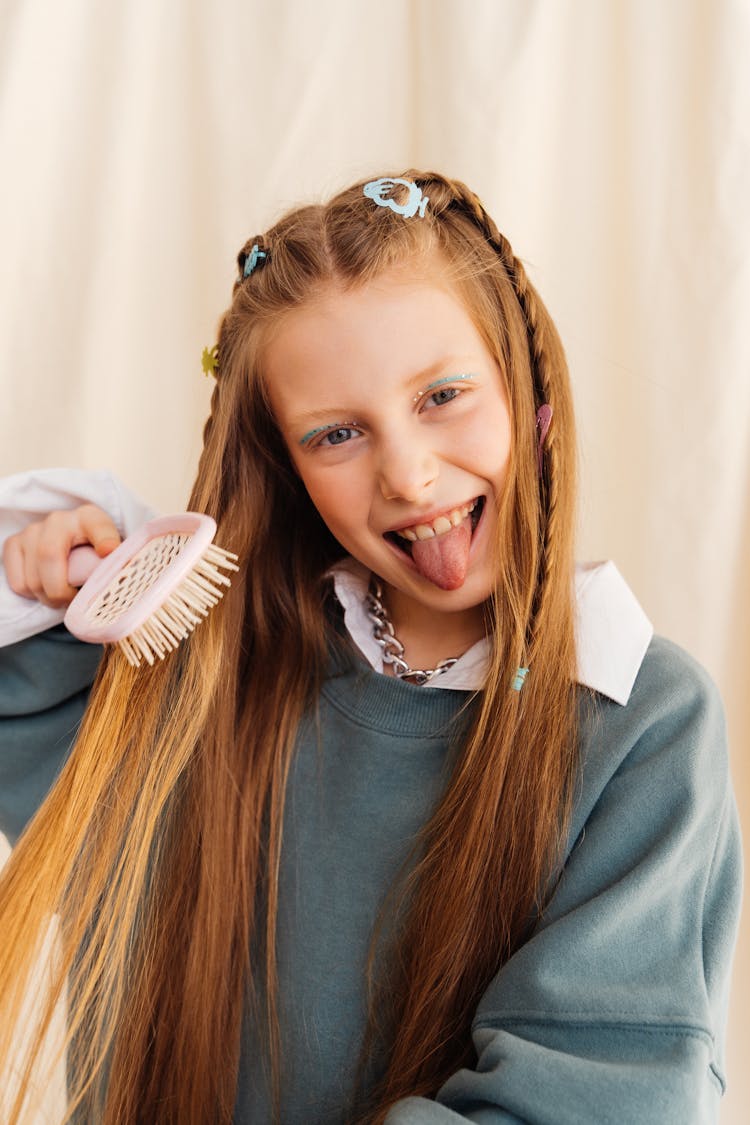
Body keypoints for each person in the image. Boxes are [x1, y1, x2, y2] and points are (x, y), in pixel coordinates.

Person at [0, 172, 742, 1125]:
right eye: (337, 433)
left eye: (442, 394)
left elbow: (592, 1094)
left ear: (527, 390)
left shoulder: (642, 723)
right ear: (285, 465)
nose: (408, 472)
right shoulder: (211, 680)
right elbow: (49, 771)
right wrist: (36, 585)